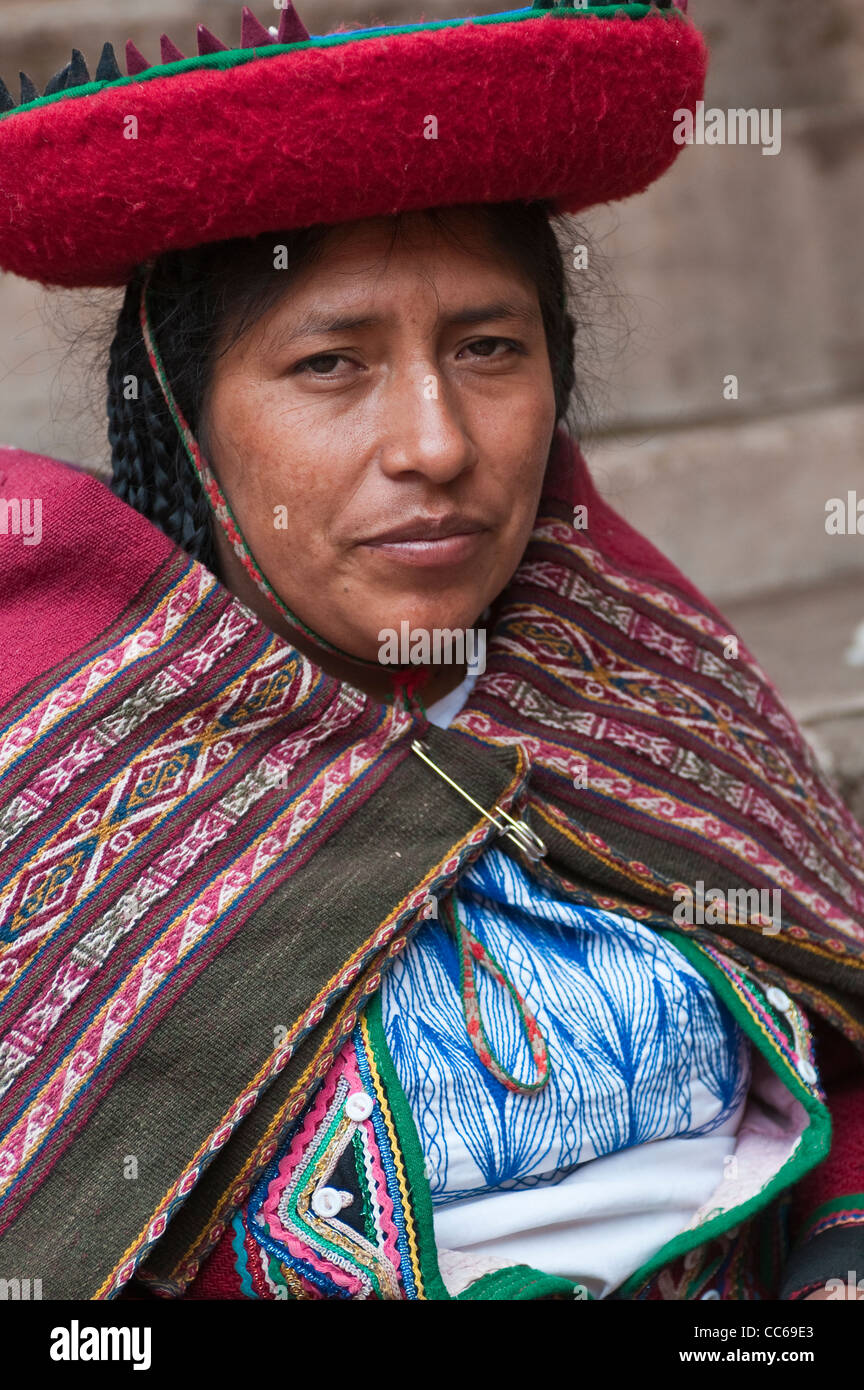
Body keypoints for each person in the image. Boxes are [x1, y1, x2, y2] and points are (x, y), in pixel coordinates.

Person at [0, 1, 862, 1303]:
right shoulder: (58, 781)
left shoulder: (661, 698)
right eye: (332, 361)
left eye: (489, 349)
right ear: (186, 423)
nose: (437, 443)